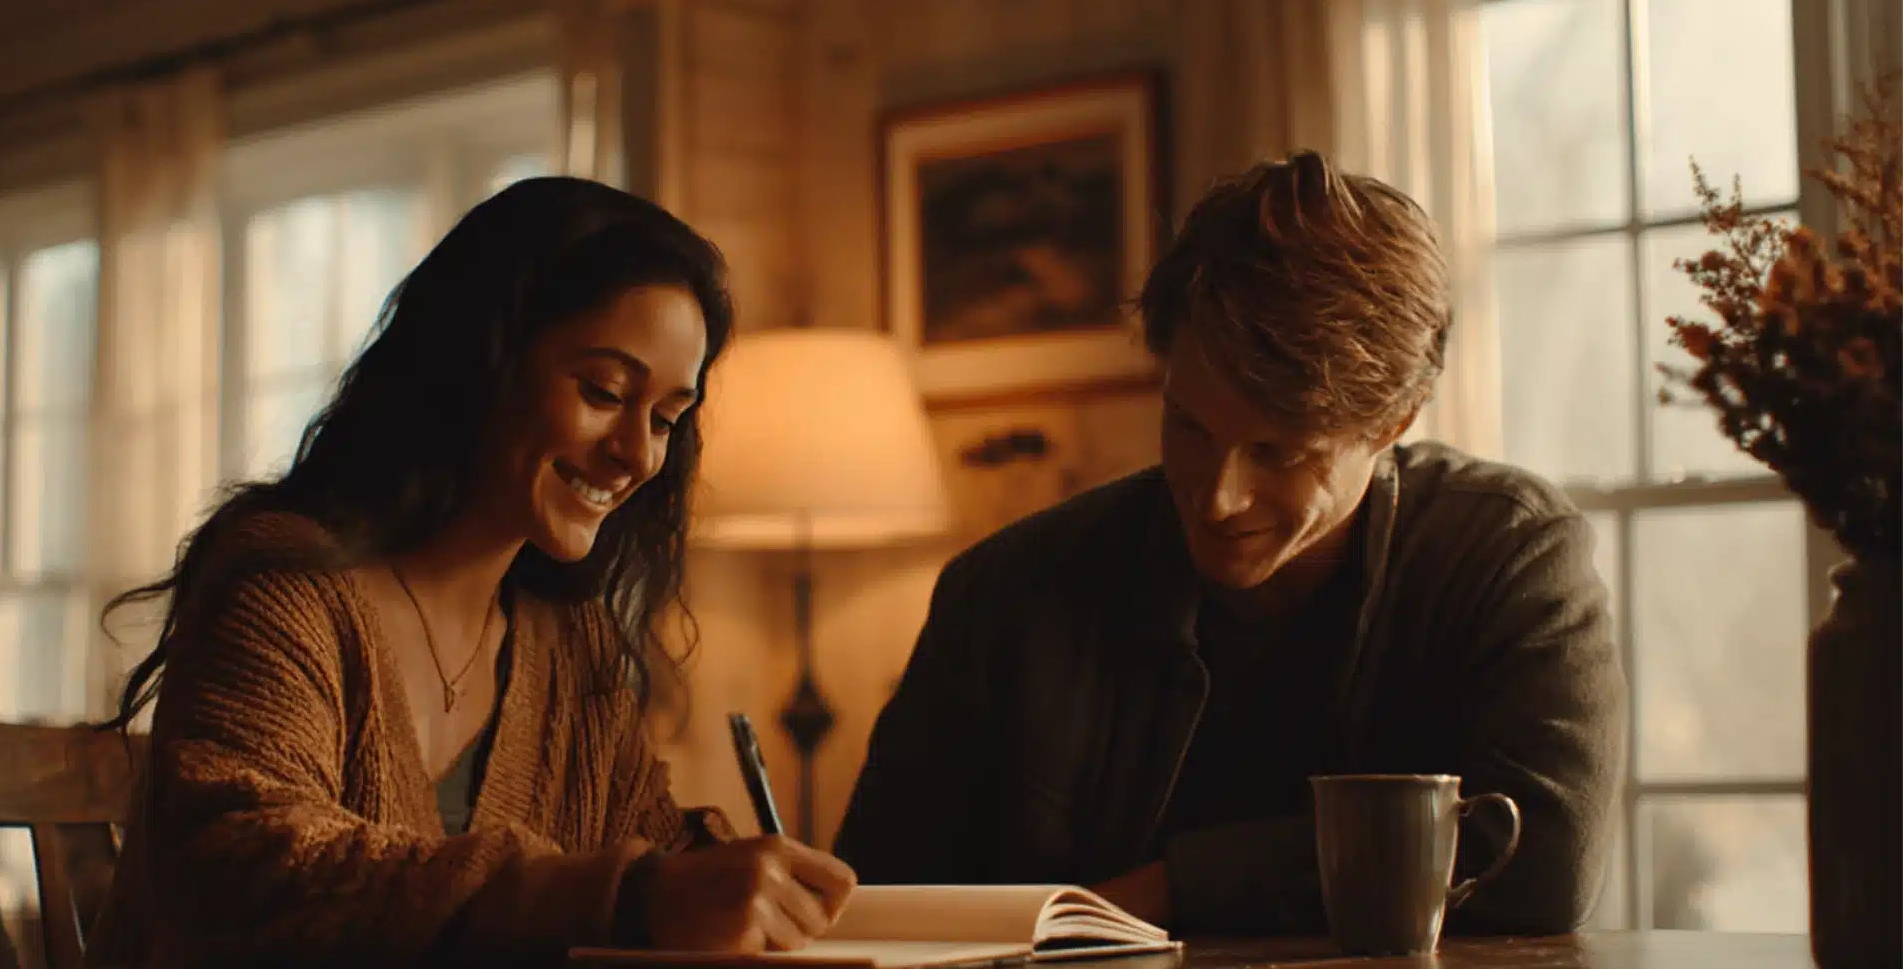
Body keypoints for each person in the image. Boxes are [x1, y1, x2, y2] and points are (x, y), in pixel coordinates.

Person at [834, 152, 1625, 937]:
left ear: (1392, 424)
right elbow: (875, 903)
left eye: (1279, 453)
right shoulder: (1003, 591)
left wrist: (1176, 887)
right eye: (1189, 427)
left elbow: (1542, 860)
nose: (1219, 497)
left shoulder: (1511, 556)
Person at [86, 178, 856, 967]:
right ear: (480, 360)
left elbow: (645, 844)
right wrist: (630, 897)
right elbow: (241, 862)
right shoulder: (286, 581)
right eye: (604, 392)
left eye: (665, 419)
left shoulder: (570, 641)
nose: (637, 454)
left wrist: (728, 880)